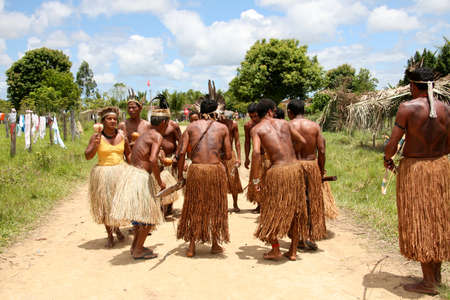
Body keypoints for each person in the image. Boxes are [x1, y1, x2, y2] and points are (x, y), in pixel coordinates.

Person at [384, 67, 449, 296]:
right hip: (441, 168)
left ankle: (428, 282)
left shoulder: (407, 108)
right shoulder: (446, 108)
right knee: (438, 220)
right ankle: (436, 276)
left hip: (416, 171)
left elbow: (393, 142)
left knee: (420, 221)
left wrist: (387, 158)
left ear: (413, 86)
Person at [251, 98, 307, 261]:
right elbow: (302, 141)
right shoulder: (285, 124)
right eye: (274, 110)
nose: (275, 113)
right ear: (269, 111)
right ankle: (293, 251)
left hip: (277, 171)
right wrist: (290, 154)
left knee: (270, 209)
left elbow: (255, 153)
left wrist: (256, 180)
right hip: (294, 169)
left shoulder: (257, 129)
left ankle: (275, 249)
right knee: (295, 209)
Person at [111, 108, 169, 259]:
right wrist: (159, 181)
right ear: (164, 122)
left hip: (133, 175)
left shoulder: (146, 134)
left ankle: (136, 246)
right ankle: (137, 250)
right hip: (141, 177)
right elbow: (152, 159)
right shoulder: (157, 136)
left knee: (140, 216)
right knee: (148, 217)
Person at [176, 99, 232, 257]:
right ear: (216, 111)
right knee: (216, 207)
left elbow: (181, 153)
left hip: (196, 170)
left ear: (200, 111)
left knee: (195, 205)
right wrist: (215, 154)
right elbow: (228, 155)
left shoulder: (191, 127)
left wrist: (180, 176)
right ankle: (214, 244)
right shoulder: (222, 128)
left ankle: (192, 247)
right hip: (215, 170)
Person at [84, 107, 131, 248]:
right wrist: (95, 145)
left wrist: (135, 170)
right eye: (109, 119)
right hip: (103, 173)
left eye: (115, 119)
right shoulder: (96, 137)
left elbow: (128, 154)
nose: (112, 121)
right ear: (102, 121)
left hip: (121, 171)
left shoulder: (122, 135)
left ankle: (116, 228)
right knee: (106, 205)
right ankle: (110, 235)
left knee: (118, 204)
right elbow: (88, 156)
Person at [287, 99, 328, 251]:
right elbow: (322, 151)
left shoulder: (287, 126)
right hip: (311, 166)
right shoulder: (314, 126)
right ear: (304, 111)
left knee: (294, 201)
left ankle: (296, 236)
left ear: (289, 112)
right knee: (311, 201)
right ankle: (308, 236)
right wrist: (321, 170)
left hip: (292, 167)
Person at [154, 95, 182, 216]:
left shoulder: (173, 126)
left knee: (171, 183)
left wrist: (176, 156)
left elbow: (181, 142)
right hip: (158, 158)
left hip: (170, 158)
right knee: (158, 182)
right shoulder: (154, 125)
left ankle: (169, 206)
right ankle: (160, 206)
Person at [218, 112, 243, 212]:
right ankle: (222, 205)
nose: (221, 116)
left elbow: (237, 142)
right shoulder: (214, 124)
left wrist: (239, 158)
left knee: (233, 179)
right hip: (218, 155)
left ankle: (235, 203)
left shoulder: (233, 124)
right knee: (220, 180)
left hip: (230, 154)